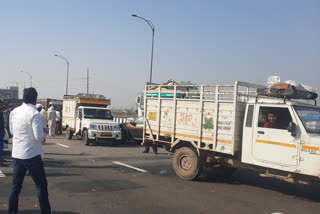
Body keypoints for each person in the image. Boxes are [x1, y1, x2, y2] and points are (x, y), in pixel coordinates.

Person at [8, 87, 51, 214]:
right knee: (41, 185)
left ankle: (12, 212)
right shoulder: (34, 114)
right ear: (35, 99)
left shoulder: (14, 112)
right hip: (32, 155)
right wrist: (44, 137)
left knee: (16, 187)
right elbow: (38, 136)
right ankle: (45, 211)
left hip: (17, 154)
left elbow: (11, 132)